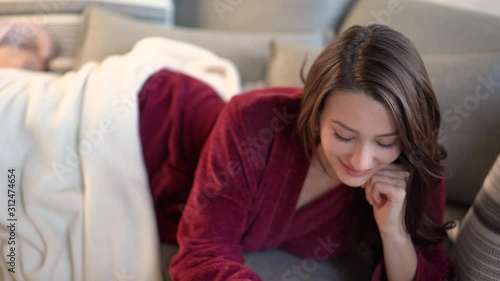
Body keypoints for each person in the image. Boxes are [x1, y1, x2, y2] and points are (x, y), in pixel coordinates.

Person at [139, 24, 455, 281]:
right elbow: (202, 251)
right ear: (316, 113)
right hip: (155, 123)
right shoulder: (253, 122)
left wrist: (394, 231)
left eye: (385, 143)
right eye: (343, 135)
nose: (361, 161)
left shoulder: (414, 176)